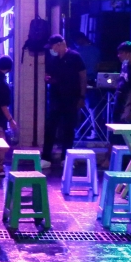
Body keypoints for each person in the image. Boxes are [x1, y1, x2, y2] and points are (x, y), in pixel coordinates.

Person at [42, 35, 87, 168]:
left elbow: (83, 77)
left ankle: (66, 158)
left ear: (60, 44)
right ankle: (46, 157)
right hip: (55, 97)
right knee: (50, 127)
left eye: (53, 46)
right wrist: (48, 79)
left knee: (68, 128)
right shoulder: (54, 59)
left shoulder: (75, 57)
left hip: (71, 97)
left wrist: (82, 96)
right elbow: (49, 76)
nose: (52, 49)